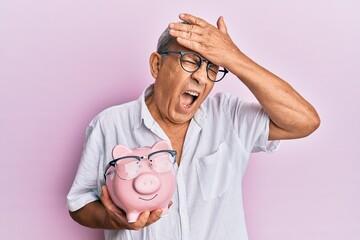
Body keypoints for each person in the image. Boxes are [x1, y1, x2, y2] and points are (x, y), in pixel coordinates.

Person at [67, 13, 320, 240]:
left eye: (212, 67)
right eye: (190, 61)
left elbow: (305, 121)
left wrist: (234, 58)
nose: (201, 76)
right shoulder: (110, 124)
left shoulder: (229, 116)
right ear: (157, 65)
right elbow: (79, 203)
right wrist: (111, 219)